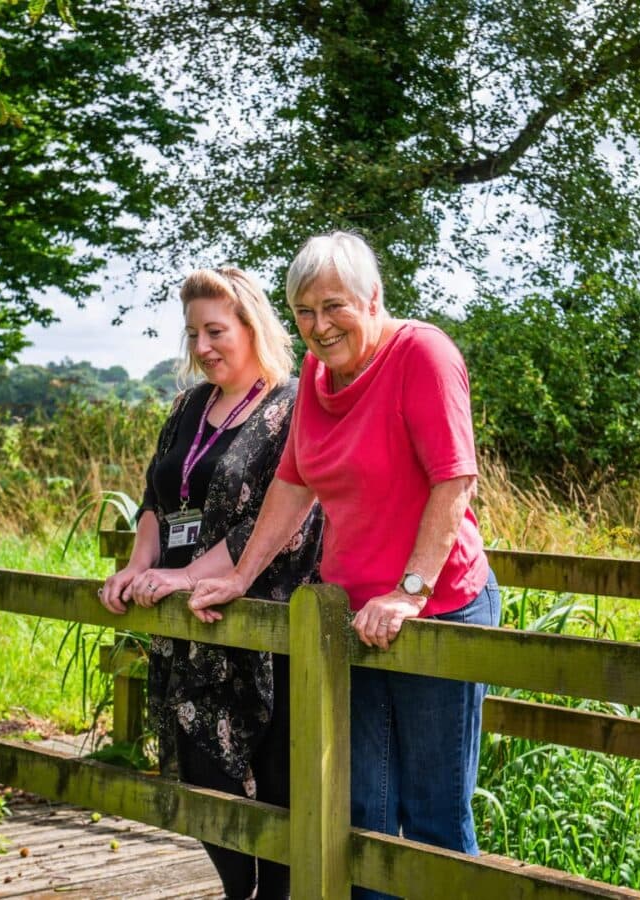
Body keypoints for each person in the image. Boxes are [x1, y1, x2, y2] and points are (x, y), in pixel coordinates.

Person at [189, 232, 501, 900]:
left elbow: (454, 482)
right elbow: (294, 484)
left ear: (373, 299)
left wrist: (410, 592)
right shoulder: (317, 380)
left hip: (436, 606)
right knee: (362, 813)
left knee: (433, 817)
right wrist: (241, 576)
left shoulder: (422, 353)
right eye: (304, 310)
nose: (319, 325)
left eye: (334, 306)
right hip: (352, 616)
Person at [98, 266, 322, 900]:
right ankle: (237, 890)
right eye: (193, 332)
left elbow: (274, 518)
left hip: (261, 621)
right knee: (202, 773)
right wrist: (140, 569)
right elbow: (155, 500)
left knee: (277, 785)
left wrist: (186, 575)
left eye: (216, 331)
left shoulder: (293, 404)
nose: (202, 348)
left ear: (252, 327)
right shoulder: (188, 405)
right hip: (188, 621)